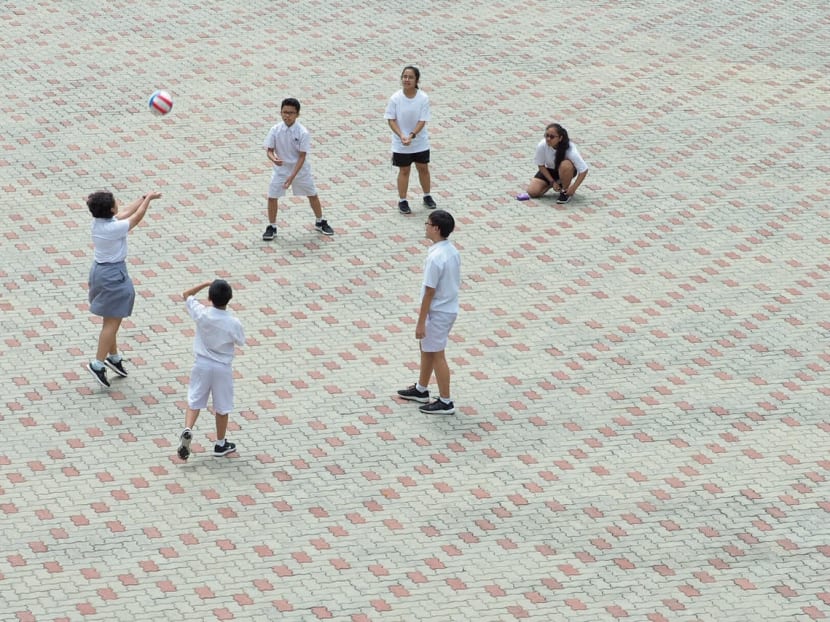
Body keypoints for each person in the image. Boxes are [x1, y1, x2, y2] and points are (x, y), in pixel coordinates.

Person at [86, 190, 162, 388]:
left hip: (100, 272)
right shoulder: (114, 228)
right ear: (111, 208)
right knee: (113, 321)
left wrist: (143, 197)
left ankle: (113, 356)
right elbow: (136, 217)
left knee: (110, 318)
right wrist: (148, 203)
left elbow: (126, 211)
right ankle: (97, 363)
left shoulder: (101, 223)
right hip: (113, 276)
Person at [397, 209, 461, 415]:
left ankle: (446, 401)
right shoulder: (451, 251)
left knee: (437, 354)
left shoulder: (436, 258)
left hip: (438, 312)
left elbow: (429, 291)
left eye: (427, 223)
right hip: (448, 307)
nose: (425, 226)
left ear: (436, 228)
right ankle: (421, 389)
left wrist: (420, 322)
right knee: (427, 348)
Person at [176, 279, 245, 461]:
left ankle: (188, 429)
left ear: (209, 297)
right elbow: (240, 341)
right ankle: (221, 443)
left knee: (195, 400)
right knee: (222, 406)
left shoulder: (202, 314)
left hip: (201, 364)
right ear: (229, 298)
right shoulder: (233, 322)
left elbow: (186, 295)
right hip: (222, 368)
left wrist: (205, 283)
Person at [261, 97, 333, 241]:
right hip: (280, 170)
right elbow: (269, 150)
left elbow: (302, 156)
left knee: (312, 194)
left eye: (291, 113)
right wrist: (273, 158)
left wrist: (292, 177)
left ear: (297, 114)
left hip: (300, 170)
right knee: (272, 196)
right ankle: (272, 226)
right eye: (284, 112)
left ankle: (320, 221)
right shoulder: (275, 130)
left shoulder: (302, 132)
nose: (287, 116)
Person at [384, 65, 437, 215]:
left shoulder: (423, 98)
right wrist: (401, 135)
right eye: (404, 77)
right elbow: (391, 119)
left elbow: (422, 120)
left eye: (410, 77)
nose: (407, 80)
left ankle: (427, 196)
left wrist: (412, 135)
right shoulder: (395, 98)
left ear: (417, 80)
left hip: (419, 142)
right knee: (404, 170)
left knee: (423, 168)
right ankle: (403, 200)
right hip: (401, 143)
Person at [516, 123, 588, 204]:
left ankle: (565, 191)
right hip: (549, 170)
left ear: (560, 138)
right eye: (547, 135)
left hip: (566, 170)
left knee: (566, 165)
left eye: (552, 137)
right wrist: (552, 182)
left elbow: (583, 170)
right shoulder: (542, 145)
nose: (548, 139)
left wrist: (573, 188)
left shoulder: (570, 149)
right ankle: (555, 183)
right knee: (533, 192)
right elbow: (541, 165)